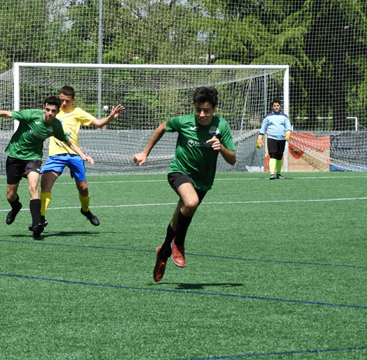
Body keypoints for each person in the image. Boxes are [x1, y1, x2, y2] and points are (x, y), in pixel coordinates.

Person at [133, 86, 236, 282]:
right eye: (198, 110)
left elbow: (232, 160)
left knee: (179, 217)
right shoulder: (184, 122)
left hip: (203, 180)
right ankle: (178, 244)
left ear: (214, 109)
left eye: (206, 110)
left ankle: (163, 252)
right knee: (190, 203)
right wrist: (145, 152)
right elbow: (163, 126)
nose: (202, 114)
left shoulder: (221, 126)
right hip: (179, 171)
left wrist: (221, 148)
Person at [0, 96, 94, 239]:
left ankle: (37, 225)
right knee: (10, 195)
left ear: (57, 111)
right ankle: (16, 206)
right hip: (15, 156)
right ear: (44, 108)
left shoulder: (55, 125)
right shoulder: (31, 115)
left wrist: (82, 154)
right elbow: (7, 113)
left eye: (53, 111)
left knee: (34, 186)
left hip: (33, 158)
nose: (49, 113)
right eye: (47, 109)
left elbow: (68, 141)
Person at [40, 85, 125, 227]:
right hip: (56, 155)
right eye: (61, 100)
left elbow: (98, 123)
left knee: (83, 188)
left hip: (74, 154)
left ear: (73, 100)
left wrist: (110, 117)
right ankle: (40, 218)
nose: (64, 103)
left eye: (67, 100)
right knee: (45, 184)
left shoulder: (77, 112)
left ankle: (85, 210)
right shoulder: (53, 111)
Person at [256, 98, 292, 180]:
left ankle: (278, 173)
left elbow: (288, 126)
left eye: (277, 105)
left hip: (282, 139)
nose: (276, 107)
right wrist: (260, 137)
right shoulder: (268, 117)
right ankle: (272, 174)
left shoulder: (284, 117)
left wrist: (288, 133)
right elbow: (263, 128)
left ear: (280, 106)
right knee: (272, 155)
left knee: (279, 156)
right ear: (272, 107)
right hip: (271, 138)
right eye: (274, 106)